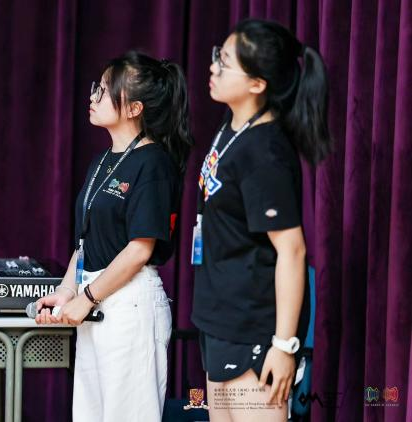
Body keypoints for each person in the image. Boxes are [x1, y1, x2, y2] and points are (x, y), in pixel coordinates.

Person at [35, 50, 194, 422]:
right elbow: (85, 243)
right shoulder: (102, 161)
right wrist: (67, 290)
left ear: (135, 108)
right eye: (97, 88)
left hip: (129, 306)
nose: (93, 97)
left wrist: (87, 297)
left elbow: (139, 250)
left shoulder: (153, 163)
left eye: (104, 91)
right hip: (95, 301)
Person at [192, 18, 333, 421]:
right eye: (217, 56)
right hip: (220, 319)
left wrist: (284, 346)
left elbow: (292, 251)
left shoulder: (265, 153)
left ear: (257, 84)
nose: (213, 67)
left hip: (253, 328)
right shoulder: (233, 125)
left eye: (225, 62)